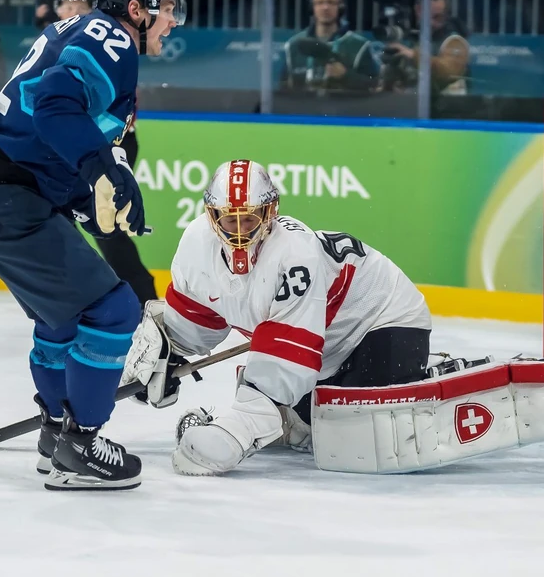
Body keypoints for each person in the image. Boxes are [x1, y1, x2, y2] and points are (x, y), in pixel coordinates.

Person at [0, 0, 186, 492]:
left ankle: (56, 434)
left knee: (61, 320)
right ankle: (81, 445)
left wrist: (89, 193)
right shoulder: (114, 38)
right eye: (168, 8)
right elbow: (55, 105)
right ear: (137, 9)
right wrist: (102, 168)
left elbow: (43, 127)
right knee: (114, 310)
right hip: (11, 204)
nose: (173, 21)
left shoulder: (79, 28)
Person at [124, 160, 435, 476]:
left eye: (249, 218)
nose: (240, 231)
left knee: (360, 436)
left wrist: (240, 427)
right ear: (211, 215)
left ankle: (296, 419)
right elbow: (198, 320)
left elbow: (288, 357)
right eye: (230, 220)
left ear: (270, 211)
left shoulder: (295, 254)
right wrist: (167, 352)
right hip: (323, 349)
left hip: (382, 320)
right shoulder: (196, 243)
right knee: (323, 422)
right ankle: (295, 420)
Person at [49, 0, 160, 304]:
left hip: (109, 143)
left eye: (78, 4)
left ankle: (143, 301)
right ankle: (77, 300)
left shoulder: (106, 41)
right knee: (64, 219)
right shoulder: (60, 39)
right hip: (75, 142)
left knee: (105, 225)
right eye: (65, 4)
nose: (71, 10)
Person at [278, 0, 379, 92]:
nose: (325, 7)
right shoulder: (294, 45)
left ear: (340, 7)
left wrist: (345, 75)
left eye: (331, 2)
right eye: (320, 3)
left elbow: (373, 85)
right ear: (312, 7)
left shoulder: (359, 46)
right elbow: (284, 87)